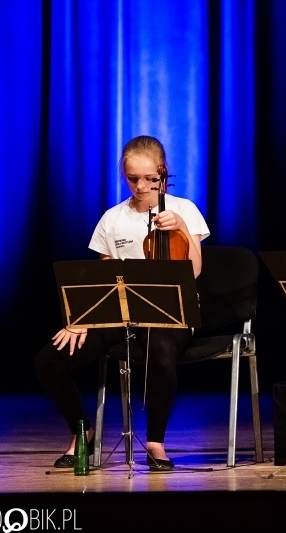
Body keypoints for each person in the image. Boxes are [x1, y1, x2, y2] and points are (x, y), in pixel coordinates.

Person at [34, 135, 210, 470]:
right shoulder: (112, 219)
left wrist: (183, 230)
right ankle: (82, 430)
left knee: (160, 348)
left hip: (170, 314)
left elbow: (195, 271)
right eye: (133, 178)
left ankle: (155, 442)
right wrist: (82, 318)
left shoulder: (184, 209)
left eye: (150, 179)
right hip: (122, 315)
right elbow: (103, 281)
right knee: (49, 360)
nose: (141, 186)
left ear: (163, 173)